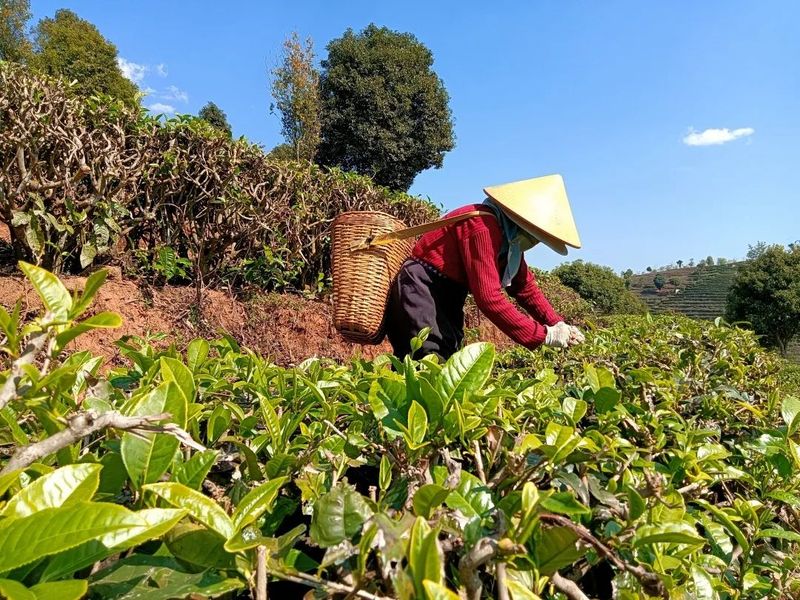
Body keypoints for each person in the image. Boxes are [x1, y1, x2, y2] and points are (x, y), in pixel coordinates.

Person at [386, 174, 585, 359]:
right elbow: (489, 297)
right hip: (422, 287)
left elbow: (524, 287)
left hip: (449, 295)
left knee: (448, 352)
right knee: (428, 356)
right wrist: (543, 335)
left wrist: (557, 323)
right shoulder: (482, 226)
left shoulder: (508, 241)